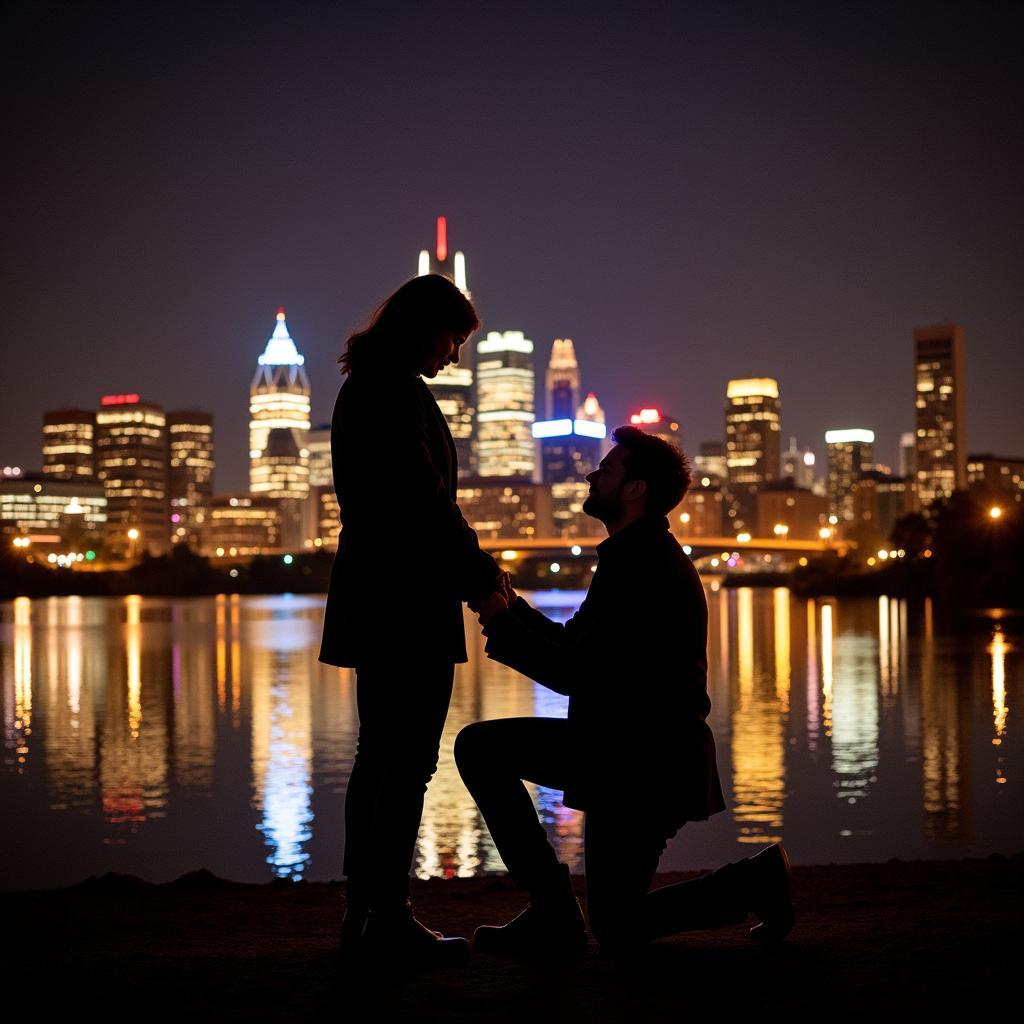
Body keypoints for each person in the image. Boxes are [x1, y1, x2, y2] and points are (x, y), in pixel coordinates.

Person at [454, 426, 794, 955]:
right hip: (622, 751)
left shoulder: (643, 564)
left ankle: (752, 882)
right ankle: (554, 910)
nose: (593, 474)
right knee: (615, 919)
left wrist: (502, 624)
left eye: (607, 469)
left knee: (616, 924)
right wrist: (511, 607)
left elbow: (574, 672)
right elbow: (576, 645)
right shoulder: (633, 555)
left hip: (644, 762)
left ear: (634, 489)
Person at [319, 274, 502, 961]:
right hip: (404, 599)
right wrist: (481, 578)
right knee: (408, 763)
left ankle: (363, 915)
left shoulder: (369, 385)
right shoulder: (392, 393)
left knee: (379, 759)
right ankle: (386, 919)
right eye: (453, 338)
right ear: (424, 327)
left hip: (375, 594)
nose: (455, 354)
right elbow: (426, 504)